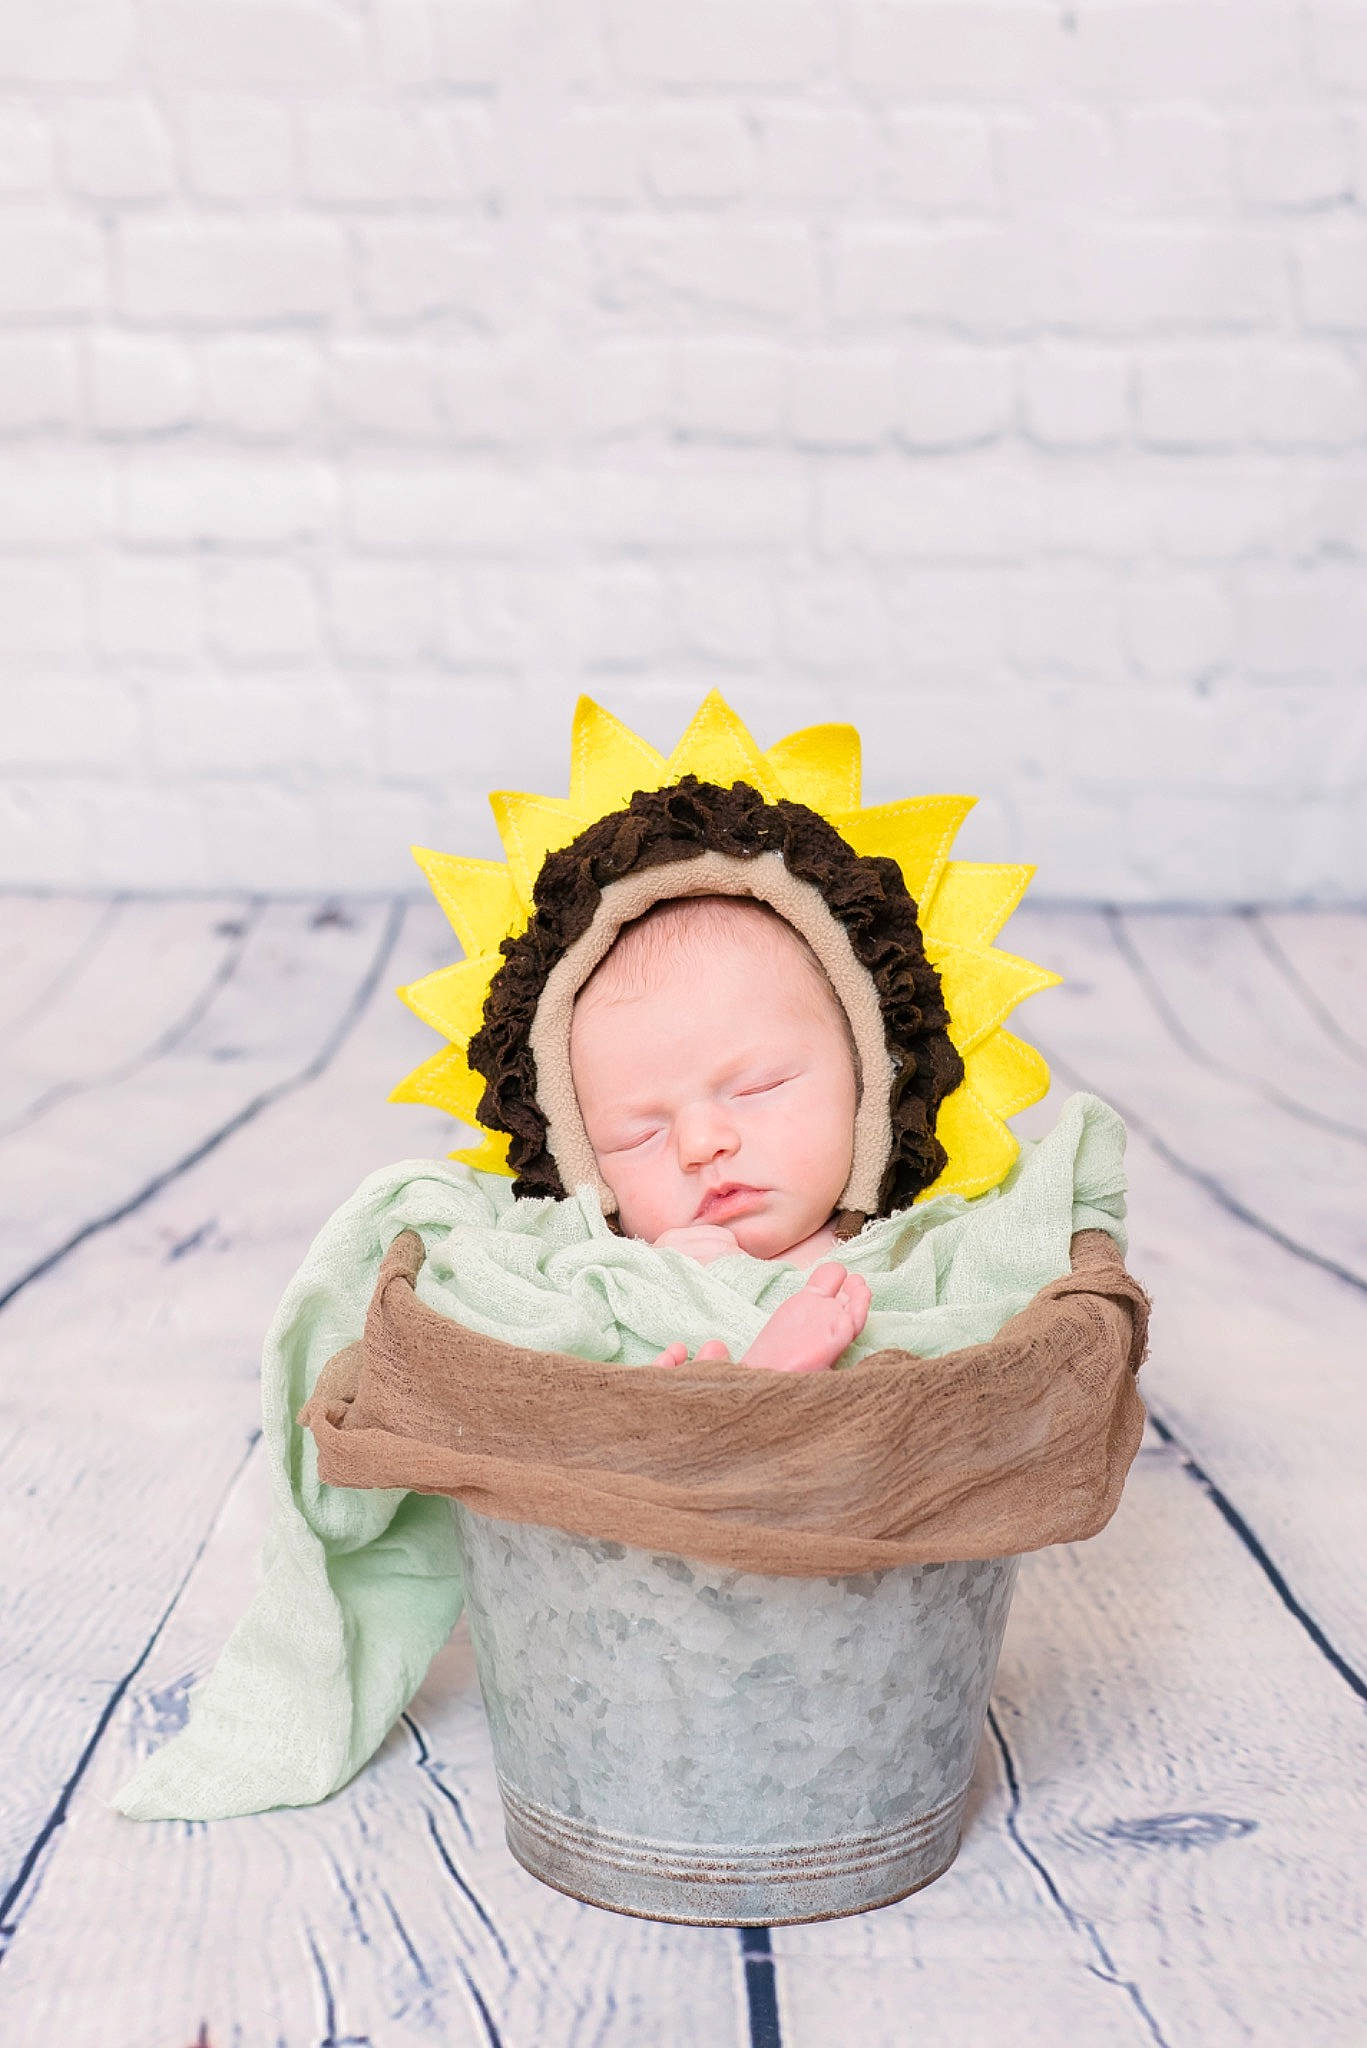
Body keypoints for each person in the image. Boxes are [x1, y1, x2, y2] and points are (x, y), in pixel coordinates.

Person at [569, 893, 872, 1374]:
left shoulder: (933, 1247)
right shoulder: (604, 1292)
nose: (700, 1145)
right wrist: (650, 1286)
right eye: (639, 1137)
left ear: (863, 1075)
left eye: (758, 1087)